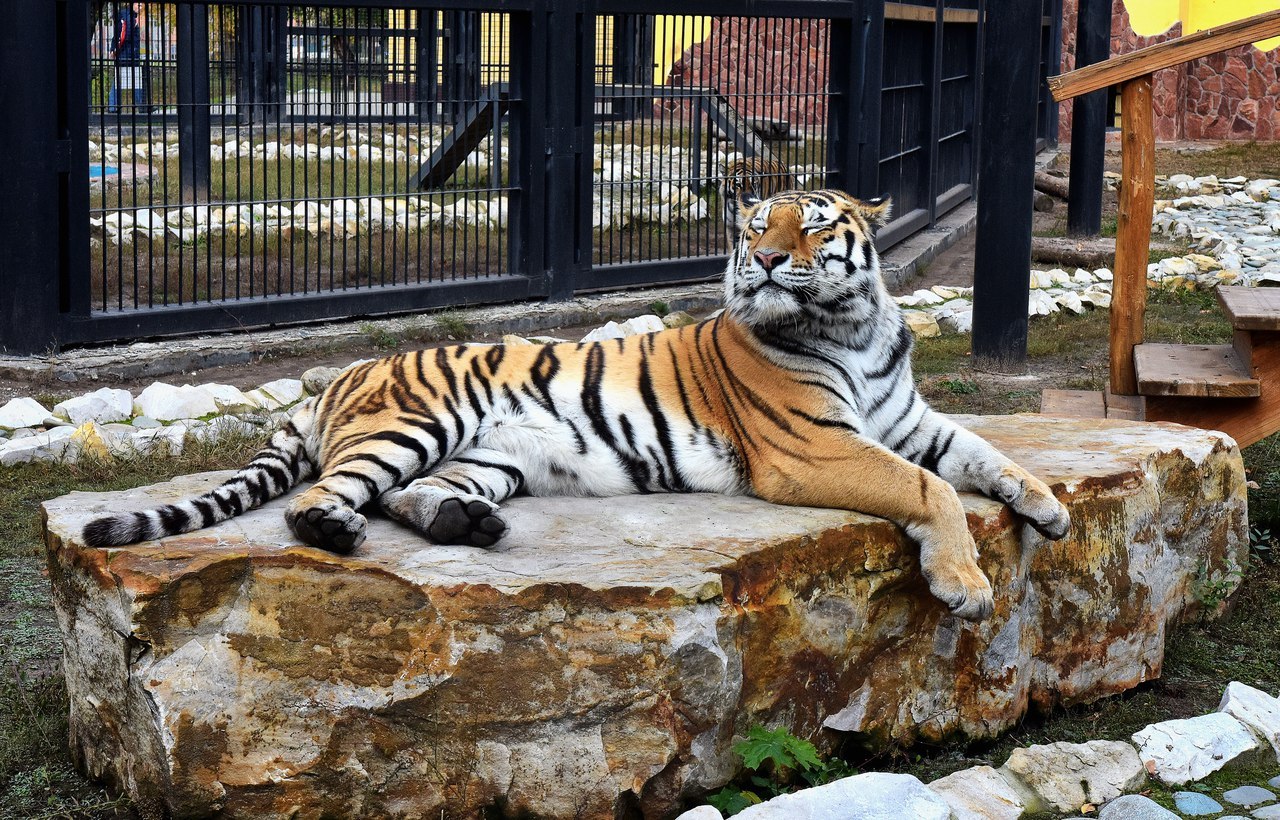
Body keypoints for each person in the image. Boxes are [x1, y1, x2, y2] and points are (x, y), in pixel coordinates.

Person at [108, 3, 145, 114]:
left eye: (142, 5)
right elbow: (124, 36)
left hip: (127, 54)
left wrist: (113, 48)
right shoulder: (129, 17)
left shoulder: (126, 16)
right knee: (129, 81)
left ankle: (113, 107)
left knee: (128, 81)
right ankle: (141, 107)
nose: (141, 7)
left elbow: (118, 35)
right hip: (128, 55)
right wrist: (115, 50)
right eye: (138, 5)